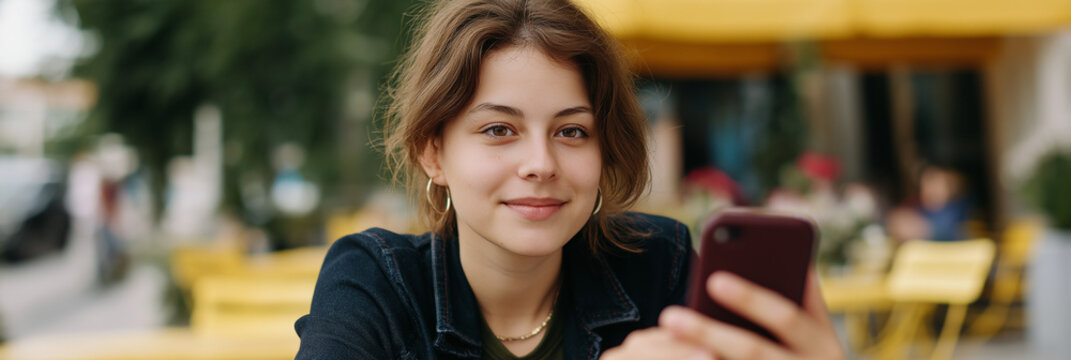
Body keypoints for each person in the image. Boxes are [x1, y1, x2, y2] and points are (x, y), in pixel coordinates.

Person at [294, 0, 844, 359]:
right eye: (499, 129)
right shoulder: (375, 282)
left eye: (573, 132)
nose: (541, 163)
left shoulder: (660, 265)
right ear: (433, 153)